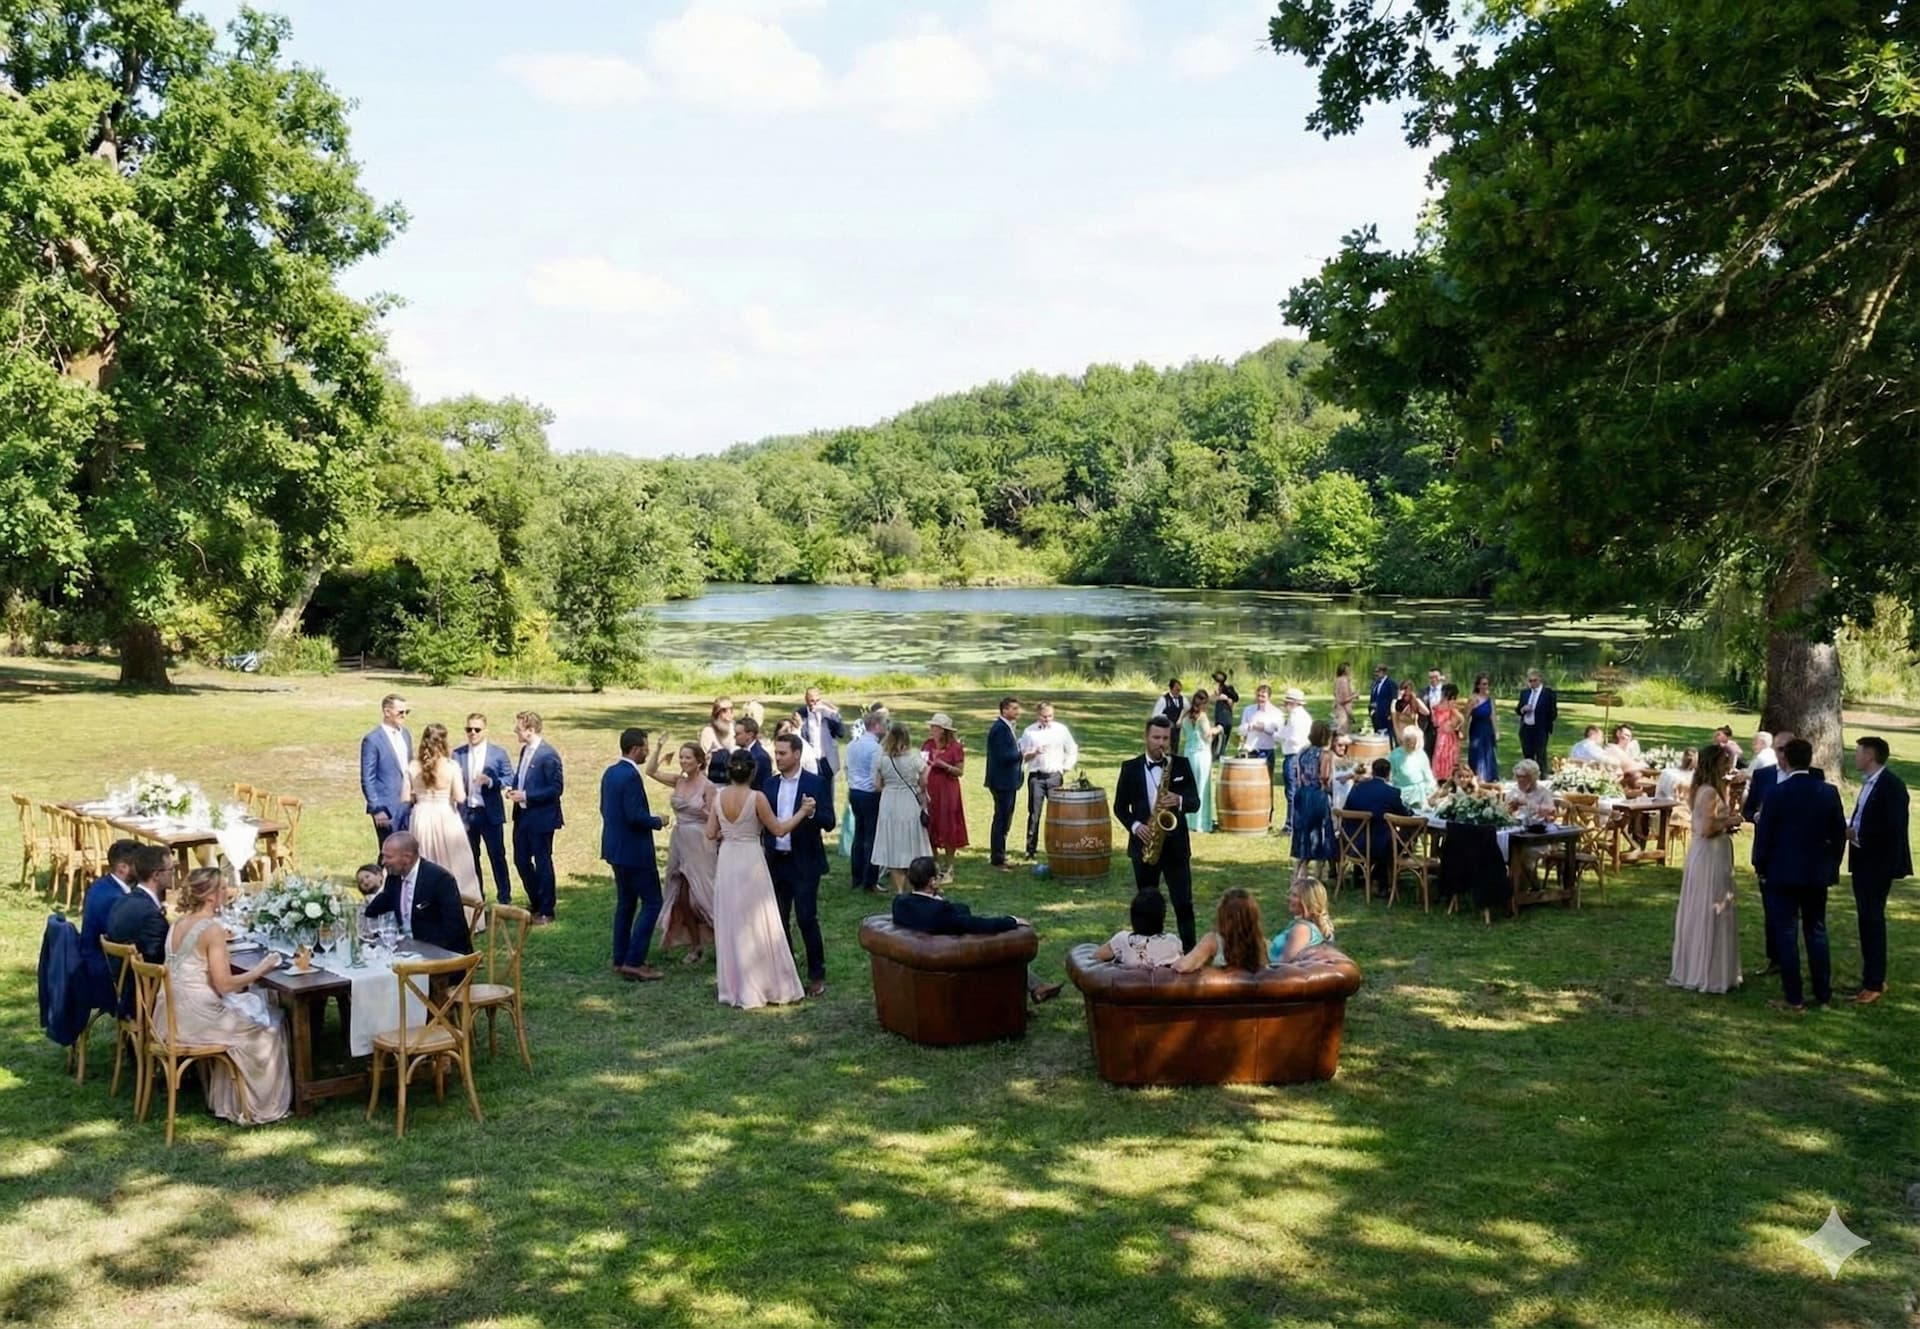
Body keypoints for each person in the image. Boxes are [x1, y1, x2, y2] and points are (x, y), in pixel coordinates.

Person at [154, 867, 291, 1125]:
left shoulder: (177, 924)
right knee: (270, 1024)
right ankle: (257, 1106)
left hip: (166, 1015)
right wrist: (261, 969)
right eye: (223, 888)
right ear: (210, 897)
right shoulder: (211, 930)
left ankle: (225, 1099)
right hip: (195, 1019)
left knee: (253, 1009)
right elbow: (225, 985)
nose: (228, 892)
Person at [706, 749, 813, 1009]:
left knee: (733, 919)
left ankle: (735, 984)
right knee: (757, 918)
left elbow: (710, 832)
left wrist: (729, 832)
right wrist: (802, 811)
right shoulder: (757, 798)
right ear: (752, 772)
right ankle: (764, 981)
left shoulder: (719, 797)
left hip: (729, 859)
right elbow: (777, 829)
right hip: (751, 859)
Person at [1750, 737, 1847, 1012]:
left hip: (1783, 872)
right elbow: (1838, 833)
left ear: (1786, 760)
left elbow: (1765, 837)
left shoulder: (1778, 794)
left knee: (1787, 933)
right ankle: (1823, 993)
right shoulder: (1828, 792)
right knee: (1817, 931)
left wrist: (1761, 866)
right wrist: (1832, 864)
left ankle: (1794, 997)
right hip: (1816, 873)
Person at [891, 857, 1062, 1000]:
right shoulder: (940, 912)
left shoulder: (900, 903)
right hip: (954, 955)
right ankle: (1036, 987)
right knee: (1002, 949)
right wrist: (1012, 920)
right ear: (932, 882)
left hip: (928, 952)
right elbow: (976, 924)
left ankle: (1037, 986)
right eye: (938, 876)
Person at [1114, 716, 1202, 948]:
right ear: (1146, 737)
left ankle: (1190, 950)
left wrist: (1180, 799)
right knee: (1146, 904)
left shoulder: (1180, 765)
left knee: (1183, 902)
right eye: (1156, 738)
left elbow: (1195, 802)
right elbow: (1119, 807)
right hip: (1144, 843)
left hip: (1176, 846)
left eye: (1165, 738)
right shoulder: (1130, 768)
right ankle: (1147, 950)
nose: (1161, 743)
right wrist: (1136, 826)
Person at [1668, 744, 1744, 994]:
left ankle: (1710, 968)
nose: (1728, 768)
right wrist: (1731, 820)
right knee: (1709, 906)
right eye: (1725, 762)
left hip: (1712, 853)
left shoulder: (1707, 789)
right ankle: (1707, 972)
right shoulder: (1708, 792)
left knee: (1712, 904)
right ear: (1715, 764)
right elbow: (1707, 829)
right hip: (1710, 853)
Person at [764, 733, 835, 997]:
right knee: (779, 920)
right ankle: (786, 970)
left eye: (782, 753)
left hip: (804, 862)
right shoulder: (769, 785)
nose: (778, 757)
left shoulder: (815, 783)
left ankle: (817, 974)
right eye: (776, 753)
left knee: (806, 918)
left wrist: (813, 812)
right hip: (776, 862)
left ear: (796, 754)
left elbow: (829, 821)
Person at [1847, 735, 1912, 1005]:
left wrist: (1857, 835)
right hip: (1864, 860)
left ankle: (1874, 982)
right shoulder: (1870, 783)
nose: (1855, 756)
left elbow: (1893, 828)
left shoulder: (1891, 786)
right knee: (1866, 919)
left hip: (1877, 864)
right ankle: (1871, 977)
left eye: (1859, 752)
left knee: (1872, 920)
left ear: (1871, 755)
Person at [602, 728, 668, 982]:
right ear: (636, 749)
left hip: (615, 849)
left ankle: (620, 958)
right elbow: (635, 816)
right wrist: (658, 821)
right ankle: (634, 960)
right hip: (635, 852)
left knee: (626, 904)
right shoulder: (630, 776)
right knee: (652, 903)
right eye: (645, 747)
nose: (648, 751)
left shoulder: (610, 772)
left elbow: (605, 809)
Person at [404, 722, 485, 923]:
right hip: (445, 816)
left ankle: (423, 915)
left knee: (423, 865)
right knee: (456, 866)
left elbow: (405, 796)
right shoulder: (451, 766)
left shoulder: (413, 767)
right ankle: (463, 916)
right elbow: (459, 797)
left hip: (422, 817)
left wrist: (420, 794)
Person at [646, 739, 718, 963]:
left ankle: (727, 941)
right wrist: (658, 748)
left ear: (699, 761)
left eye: (688, 757)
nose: (684, 761)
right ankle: (695, 946)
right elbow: (651, 771)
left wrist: (703, 813)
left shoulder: (708, 787)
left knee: (705, 895)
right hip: (680, 841)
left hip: (700, 843)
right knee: (682, 896)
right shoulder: (678, 781)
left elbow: (716, 820)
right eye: (681, 757)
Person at [364, 832, 474, 954]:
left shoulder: (439, 880)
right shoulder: (394, 877)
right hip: (404, 949)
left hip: (440, 953)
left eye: (388, 857)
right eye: (382, 856)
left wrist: (416, 949)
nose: (383, 862)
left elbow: (453, 929)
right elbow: (375, 908)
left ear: (407, 858)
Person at [507, 711, 565, 926]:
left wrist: (527, 796)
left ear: (530, 730)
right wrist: (514, 790)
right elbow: (522, 777)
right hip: (522, 816)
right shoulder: (525, 751)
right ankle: (537, 900)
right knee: (520, 860)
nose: (515, 731)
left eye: (519, 728)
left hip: (541, 818)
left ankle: (547, 910)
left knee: (542, 863)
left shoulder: (548, 755)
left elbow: (556, 789)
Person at [453, 713, 515, 906]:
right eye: (469, 729)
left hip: (490, 813)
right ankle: (477, 898)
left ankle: (504, 898)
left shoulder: (498, 753)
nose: (472, 733)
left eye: (477, 729)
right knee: (471, 858)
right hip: (467, 813)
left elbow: (509, 778)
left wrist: (490, 781)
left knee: (497, 856)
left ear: (485, 731)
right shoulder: (458, 754)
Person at [79, 839, 141, 1013]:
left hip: (95, 960)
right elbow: (128, 941)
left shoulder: (103, 885)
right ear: (122, 867)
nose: (145, 868)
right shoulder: (115, 899)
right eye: (140, 864)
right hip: (105, 975)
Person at [872, 721, 933, 892]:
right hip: (908, 798)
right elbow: (925, 777)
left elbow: (877, 785)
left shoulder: (883, 758)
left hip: (889, 800)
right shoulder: (913, 757)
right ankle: (914, 884)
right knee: (911, 838)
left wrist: (889, 787)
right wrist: (920, 788)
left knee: (893, 843)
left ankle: (899, 890)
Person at [1018, 701, 1079, 859]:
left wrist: (1065, 767)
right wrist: (1034, 753)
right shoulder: (1029, 732)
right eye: (1044, 717)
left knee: (1057, 814)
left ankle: (1057, 846)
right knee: (1034, 813)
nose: (1047, 719)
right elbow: (1022, 755)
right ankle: (1030, 849)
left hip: (1054, 776)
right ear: (1038, 715)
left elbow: (1072, 748)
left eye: (1050, 716)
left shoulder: (1061, 730)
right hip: (1036, 777)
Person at [359, 693, 413, 850]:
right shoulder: (373, 740)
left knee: (407, 851)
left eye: (406, 712)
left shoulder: (406, 734)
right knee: (389, 852)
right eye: (400, 712)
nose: (404, 716)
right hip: (386, 806)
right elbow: (367, 778)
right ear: (387, 712)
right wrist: (377, 809)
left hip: (407, 804)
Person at [107, 847, 174, 971]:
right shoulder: (152, 916)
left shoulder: (122, 901)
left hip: (122, 976)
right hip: (144, 984)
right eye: (171, 869)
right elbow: (164, 960)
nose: (173, 873)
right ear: (157, 875)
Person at [920, 714, 968, 883]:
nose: (932, 730)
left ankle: (949, 868)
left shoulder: (955, 747)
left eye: (935, 727)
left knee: (948, 825)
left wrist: (945, 766)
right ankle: (935, 866)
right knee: (930, 825)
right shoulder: (927, 744)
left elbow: (960, 771)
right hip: (930, 789)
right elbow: (921, 762)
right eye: (932, 727)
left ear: (943, 730)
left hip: (948, 790)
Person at [844, 707, 887, 891]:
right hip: (870, 794)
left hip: (854, 791)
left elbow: (848, 768)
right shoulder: (876, 748)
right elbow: (876, 774)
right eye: (884, 724)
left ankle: (857, 876)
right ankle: (870, 879)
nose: (886, 728)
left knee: (859, 835)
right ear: (876, 726)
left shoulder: (853, 744)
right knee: (871, 837)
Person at [1173, 888, 1266, 972]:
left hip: (1220, 990)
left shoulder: (1212, 941)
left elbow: (1184, 966)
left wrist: (1176, 962)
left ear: (1222, 915)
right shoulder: (1259, 942)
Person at [1344, 759, 1409, 878]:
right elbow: (1404, 815)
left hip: (1352, 842)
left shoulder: (1357, 788)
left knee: (1380, 832)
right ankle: (1382, 877)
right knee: (1402, 837)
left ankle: (1361, 874)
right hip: (1378, 846)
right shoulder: (1391, 793)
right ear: (1389, 773)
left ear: (1373, 772)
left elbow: (1346, 810)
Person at [1090, 889, 1183, 968]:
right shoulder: (1173, 942)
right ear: (1162, 917)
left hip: (1127, 988)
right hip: (1163, 989)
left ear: (1133, 917)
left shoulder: (1122, 940)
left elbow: (1096, 957)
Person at [1291, 720, 1336, 882]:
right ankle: (1318, 875)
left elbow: (1298, 775)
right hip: (1317, 795)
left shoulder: (1303, 751)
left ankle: (1297, 872)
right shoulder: (1325, 755)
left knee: (1303, 832)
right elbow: (1324, 776)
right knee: (1320, 833)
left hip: (1302, 794)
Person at [985, 697, 1024, 870]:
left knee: (1004, 818)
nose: (1017, 712)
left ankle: (1000, 854)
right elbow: (1003, 757)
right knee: (1001, 819)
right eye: (1014, 709)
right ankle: (998, 858)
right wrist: (1023, 754)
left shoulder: (1006, 727)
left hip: (1007, 781)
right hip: (1002, 782)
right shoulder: (1000, 729)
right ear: (1004, 710)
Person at [1236, 685, 1285, 817]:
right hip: (1251, 749)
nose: (1260, 698)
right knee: (1249, 783)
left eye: (1263, 696)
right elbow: (1240, 729)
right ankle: (1250, 810)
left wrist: (1264, 728)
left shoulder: (1276, 713)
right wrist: (1249, 726)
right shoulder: (1249, 710)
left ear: (1269, 697)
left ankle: (1267, 813)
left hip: (1267, 750)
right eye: (1258, 696)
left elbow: (1279, 733)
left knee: (1266, 783)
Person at [792, 686, 845, 796]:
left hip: (826, 759)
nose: (814, 704)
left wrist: (832, 715)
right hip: (810, 760)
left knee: (828, 793)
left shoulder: (827, 713)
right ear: (806, 700)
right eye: (811, 701)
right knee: (811, 793)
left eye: (817, 700)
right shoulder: (800, 714)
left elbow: (841, 733)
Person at [1181, 691, 1220, 833]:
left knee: (1189, 787)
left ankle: (1189, 820)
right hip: (1201, 754)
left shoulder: (1185, 715)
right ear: (1204, 703)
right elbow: (1207, 736)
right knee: (1201, 787)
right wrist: (1217, 729)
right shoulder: (1202, 718)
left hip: (1188, 753)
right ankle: (1200, 823)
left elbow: (1179, 725)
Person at [1272, 879, 1336, 964]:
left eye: (1294, 895)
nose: (1289, 898)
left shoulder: (1302, 929)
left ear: (1307, 901)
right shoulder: (1305, 925)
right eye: (1291, 894)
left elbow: (1284, 964)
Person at [1278, 688, 1313, 833]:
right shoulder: (1305, 716)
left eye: (1287, 702)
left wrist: (1279, 734)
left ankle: (1290, 824)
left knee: (1291, 791)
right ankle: (1299, 822)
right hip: (1303, 755)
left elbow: (1293, 738)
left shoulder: (1295, 717)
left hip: (1293, 755)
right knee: (1299, 789)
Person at [710, 715, 772, 790]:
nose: (734, 736)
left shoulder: (759, 757)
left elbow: (756, 783)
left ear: (750, 735)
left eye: (738, 734)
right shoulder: (742, 752)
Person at [1516, 669, 1558, 766]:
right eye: (1530, 681)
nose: (1532, 683)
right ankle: (1528, 777)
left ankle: (1542, 778)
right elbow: (1518, 710)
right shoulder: (1525, 693)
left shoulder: (1548, 694)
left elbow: (1553, 713)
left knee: (1540, 755)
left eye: (1535, 680)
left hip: (1540, 729)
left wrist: (1544, 723)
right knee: (1527, 755)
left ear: (1540, 680)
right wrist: (1523, 709)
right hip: (1526, 728)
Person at [1389, 726, 1437, 811]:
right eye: (1410, 743)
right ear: (1404, 741)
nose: (1413, 746)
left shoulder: (1421, 754)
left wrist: (1432, 793)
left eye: (1416, 743)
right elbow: (1390, 779)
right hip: (1403, 795)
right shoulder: (1394, 756)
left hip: (1422, 794)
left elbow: (1428, 776)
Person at [1467, 673, 1499, 783]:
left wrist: (1496, 731)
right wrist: (1463, 732)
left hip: (1488, 729)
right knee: (1477, 753)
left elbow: (1493, 716)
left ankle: (1490, 777)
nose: (1485, 686)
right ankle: (1477, 777)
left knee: (1489, 753)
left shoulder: (1490, 699)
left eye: (1487, 684)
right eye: (1483, 684)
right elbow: (1465, 716)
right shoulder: (1473, 699)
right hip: (1476, 729)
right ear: (1478, 685)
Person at [1431, 683, 1464, 787]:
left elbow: (1435, 722)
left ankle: (1443, 782)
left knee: (1442, 758)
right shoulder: (1450, 705)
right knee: (1448, 758)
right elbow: (1461, 719)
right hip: (1448, 737)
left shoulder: (1437, 707)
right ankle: (1449, 782)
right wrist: (1456, 726)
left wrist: (1454, 726)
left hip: (1441, 736)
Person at [1210, 671, 1240, 760]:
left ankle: (1219, 754)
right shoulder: (1216, 692)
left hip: (1224, 717)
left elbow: (1235, 698)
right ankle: (1215, 754)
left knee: (1222, 736)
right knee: (1218, 737)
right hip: (1219, 716)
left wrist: (1227, 698)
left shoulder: (1227, 689)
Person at [1328, 733, 1358, 811]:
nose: (1343, 748)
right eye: (1340, 745)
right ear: (1333, 744)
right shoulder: (1329, 758)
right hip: (1335, 800)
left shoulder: (1348, 759)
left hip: (1349, 800)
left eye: (1345, 745)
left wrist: (1351, 776)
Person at [1421, 667, 1446, 757]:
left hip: (1444, 727)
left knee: (1443, 754)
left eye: (1436, 677)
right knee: (1428, 753)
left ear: (1441, 677)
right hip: (1429, 727)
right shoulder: (1423, 692)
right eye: (1431, 677)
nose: (1433, 679)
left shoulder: (1446, 691)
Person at [1368, 664, 1395, 734]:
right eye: (1375, 672)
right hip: (1375, 715)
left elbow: (1393, 699)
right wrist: (1371, 709)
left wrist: (1391, 714)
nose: (1376, 674)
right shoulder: (1375, 683)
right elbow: (1373, 698)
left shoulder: (1390, 684)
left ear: (1384, 672)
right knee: (1377, 733)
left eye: (1378, 672)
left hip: (1386, 715)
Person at [1331, 663, 1357, 737]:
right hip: (1344, 713)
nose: (1350, 671)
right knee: (1344, 736)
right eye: (1348, 669)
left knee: (1339, 735)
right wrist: (1355, 696)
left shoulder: (1337, 680)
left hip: (1338, 711)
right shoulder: (1344, 681)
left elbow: (1336, 694)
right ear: (1345, 671)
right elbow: (1343, 700)